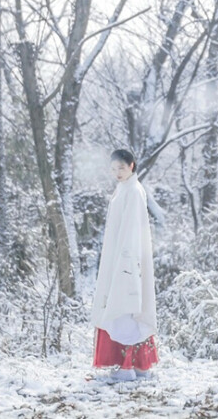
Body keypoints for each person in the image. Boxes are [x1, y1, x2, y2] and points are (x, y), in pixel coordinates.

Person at [91, 148, 159, 381]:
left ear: (132, 165)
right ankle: (138, 366)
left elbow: (132, 229)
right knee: (124, 308)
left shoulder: (133, 191)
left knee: (125, 308)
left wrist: (126, 262)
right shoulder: (123, 189)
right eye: (113, 169)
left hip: (127, 258)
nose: (117, 173)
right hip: (120, 255)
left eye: (121, 167)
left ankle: (127, 365)